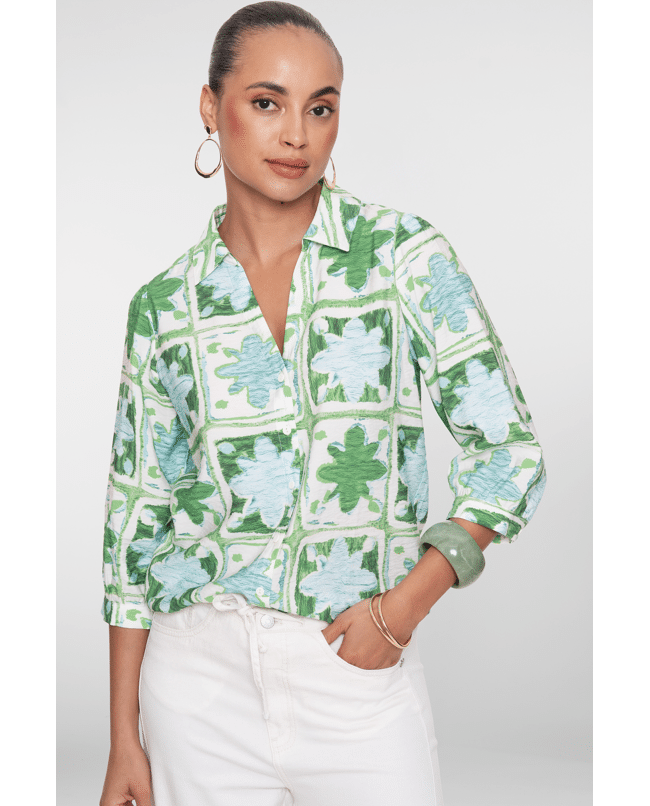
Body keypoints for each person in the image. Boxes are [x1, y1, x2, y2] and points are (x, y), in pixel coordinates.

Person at [99, 3, 547, 805]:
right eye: (266, 102)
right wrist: (122, 739)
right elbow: (137, 520)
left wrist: (403, 610)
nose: (296, 135)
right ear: (211, 107)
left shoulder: (402, 257)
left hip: (354, 667)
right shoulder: (165, 304)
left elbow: (510, 453)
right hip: (195, 683)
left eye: (321, 108)